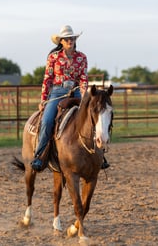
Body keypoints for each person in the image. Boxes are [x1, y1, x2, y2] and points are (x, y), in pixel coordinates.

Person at [31, 25, 110, 172]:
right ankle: (40, 155)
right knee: (47, 121)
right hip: (57, 92)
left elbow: (83, 78)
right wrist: (43, 100)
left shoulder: (82, 57)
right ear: (61, 41)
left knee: (91, 117)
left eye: (72, 38)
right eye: (67, 39)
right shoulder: (53, 57)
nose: (70, 41)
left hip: (76, 92)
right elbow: (47, 79)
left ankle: (99, 155)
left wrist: (84, 94)